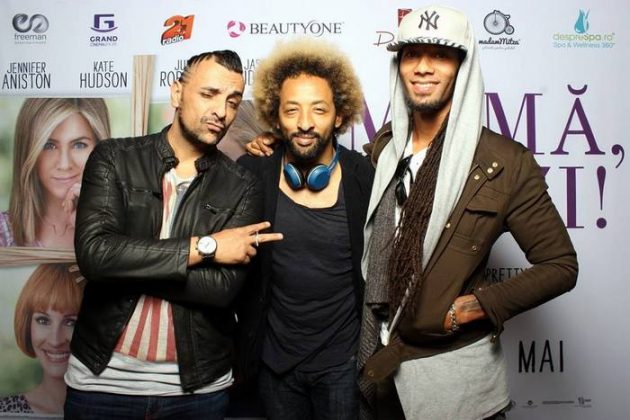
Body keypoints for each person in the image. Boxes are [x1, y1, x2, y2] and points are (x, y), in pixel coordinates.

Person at [357, 5, 578, 419]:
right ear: (398, 65)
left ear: (463, 65)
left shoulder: (503, 162)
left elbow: (561, 265)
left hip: (456, 381)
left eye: (440, 55)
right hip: (382, 364)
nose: (423, 67)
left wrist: (471, 308)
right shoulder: (384, 150)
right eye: (411, 54)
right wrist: (269, 148)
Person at [64, 50, 282, 419]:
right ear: (177, 93)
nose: (221, 112)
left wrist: (127, 267)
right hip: (101, 383)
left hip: (198, 391)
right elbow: (96, 256)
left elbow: (221, 288)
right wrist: (207, 247)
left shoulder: (243, 184)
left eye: (232, 102)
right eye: (209, 94)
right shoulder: (114, 158)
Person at [237, 38, 373, 420]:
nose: (305, 123)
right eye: (291, 109)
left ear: (339, 116)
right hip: (273, 363)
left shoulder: (364, 177)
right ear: (275, 116)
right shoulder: (253, 172)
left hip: (343, 363)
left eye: (319, 109)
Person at [0, 98, 110, 248]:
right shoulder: (3, 233)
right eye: (49, 145)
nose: (64, 165)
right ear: (29, 151)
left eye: (79, 145)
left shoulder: (124, 228)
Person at [0, 264, 84, 415]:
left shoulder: (113, 411)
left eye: (71, 322)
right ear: (27, 324)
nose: (55, 341)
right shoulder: (6, 411)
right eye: (43, 321)